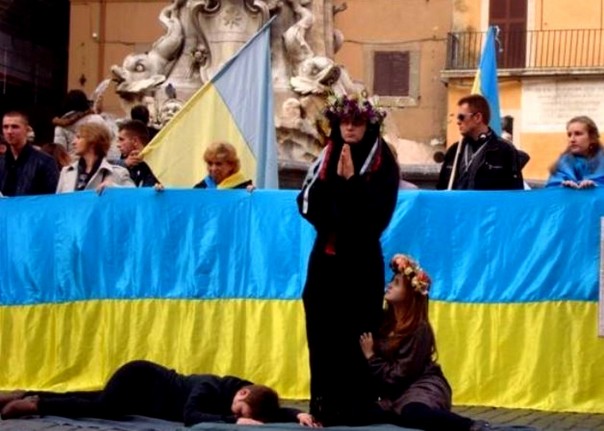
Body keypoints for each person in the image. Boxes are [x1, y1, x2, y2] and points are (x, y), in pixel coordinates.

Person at [296, 93, 400, 425]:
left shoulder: (384, 162)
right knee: (322, 332)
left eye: (356, 122)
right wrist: (336, 194)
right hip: (327, 260)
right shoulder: (326, 155)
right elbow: (306, 203)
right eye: (344, 122)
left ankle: (357, 408)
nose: (349, 128)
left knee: (358, 331)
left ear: (369, 125)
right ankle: (324, 406)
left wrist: (352, 182)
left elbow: (375, 217)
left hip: (360, 263)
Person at [359, 254, 491, 431]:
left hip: (421, 386)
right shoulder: (385, 322)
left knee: (414, 412)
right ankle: (397, 413)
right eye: (391, 281)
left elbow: (401, 375)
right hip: (397, 393)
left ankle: (470, 426)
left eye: (396, 283)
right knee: (362, 412)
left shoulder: (418, 329)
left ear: (410, 294)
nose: (389, 285)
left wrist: (372, 357)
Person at [0, 360, 316, 427]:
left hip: (146, 397)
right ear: (242, 393)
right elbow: (190, 417)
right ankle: (34, 406)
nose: (236, 414)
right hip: (140, 378)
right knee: (104, 407)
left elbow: (267, 410)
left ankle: (25, 394)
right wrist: (234, 422)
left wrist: (297, 413)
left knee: (90, 398)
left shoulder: (247, 394)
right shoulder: (208, 387)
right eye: (238, 411)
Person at [437, 94, 525, 190]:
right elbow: (441, 189)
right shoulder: (454, 150)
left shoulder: (505, 151)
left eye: (461, 117)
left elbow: (516, 193)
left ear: (477, 117)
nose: (458, 121)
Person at [56, 123, 135, 193]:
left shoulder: (118, 173)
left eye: (79, 137)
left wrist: (114, 188)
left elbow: (135, 196)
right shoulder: (66, 172)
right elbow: (58, 202)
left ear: (93, 140)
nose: (73, 142)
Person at [0, 111, 59, 196]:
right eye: (5, 127)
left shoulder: (45, 162)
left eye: (15, 127)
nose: (9, 131)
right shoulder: (1, 162)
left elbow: (52, 197)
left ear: (26, 129)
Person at [546, 115, 604, 189]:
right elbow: (551, 189)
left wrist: (595, 188)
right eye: (569, 135)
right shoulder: (561, 164)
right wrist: (563, 188)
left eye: (578, 134)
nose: (572, 139)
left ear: (592, 138)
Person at [53, 89, 108, 155]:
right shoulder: (97, 119)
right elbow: (109, 138)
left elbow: (60, 151)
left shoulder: (61, 125)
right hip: (96, 158)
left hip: (72, 160)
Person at [117, 120, 159, 187]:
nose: (118, 145)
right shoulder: (124, 161)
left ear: (135, 141)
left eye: (121, 139)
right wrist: (124, 163)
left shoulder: (156, 165)